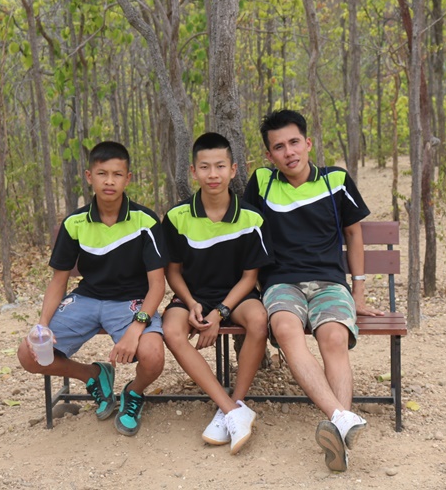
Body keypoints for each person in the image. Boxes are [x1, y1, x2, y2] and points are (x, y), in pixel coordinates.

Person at [242, 109, 385, 473]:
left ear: (308, 143)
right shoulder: (262, 182)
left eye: (294, 142)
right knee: (286, 329)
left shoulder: (335, 180)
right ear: (269, 155)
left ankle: (339, 426)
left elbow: (354, 234)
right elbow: (246, 235)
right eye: (279, 147)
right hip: (281, 282)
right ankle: (341, 417)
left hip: (329, 282)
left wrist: (358, 293)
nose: (288, 152)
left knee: (334, 337)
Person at [17, 141, 167, 436]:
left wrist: (136, 328)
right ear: (89, 177)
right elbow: (59, 280)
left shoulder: (145, 221)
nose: (109, 181)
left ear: (128, 178)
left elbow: (158, 286)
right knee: (28, 354)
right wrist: (42, 324)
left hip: (131, 302)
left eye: (117, 174)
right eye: (102, 174)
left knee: (153, 356)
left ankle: (133, 393)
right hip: (86, 298)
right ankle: (93, 374)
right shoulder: (75, 222)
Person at [161, 132, 271, 455]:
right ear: (193, 172)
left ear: (233, 170)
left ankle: (235, 402)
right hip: (192, 295)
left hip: (235, 296)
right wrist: (193, 303)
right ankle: (231, 410)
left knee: (259, 320)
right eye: (205, 167)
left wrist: (220, 312)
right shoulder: (177, 216)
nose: (213, 174)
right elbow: (173, 272)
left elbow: (250, 278)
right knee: (171, 329)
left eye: (220, 166)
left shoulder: (251, 218)